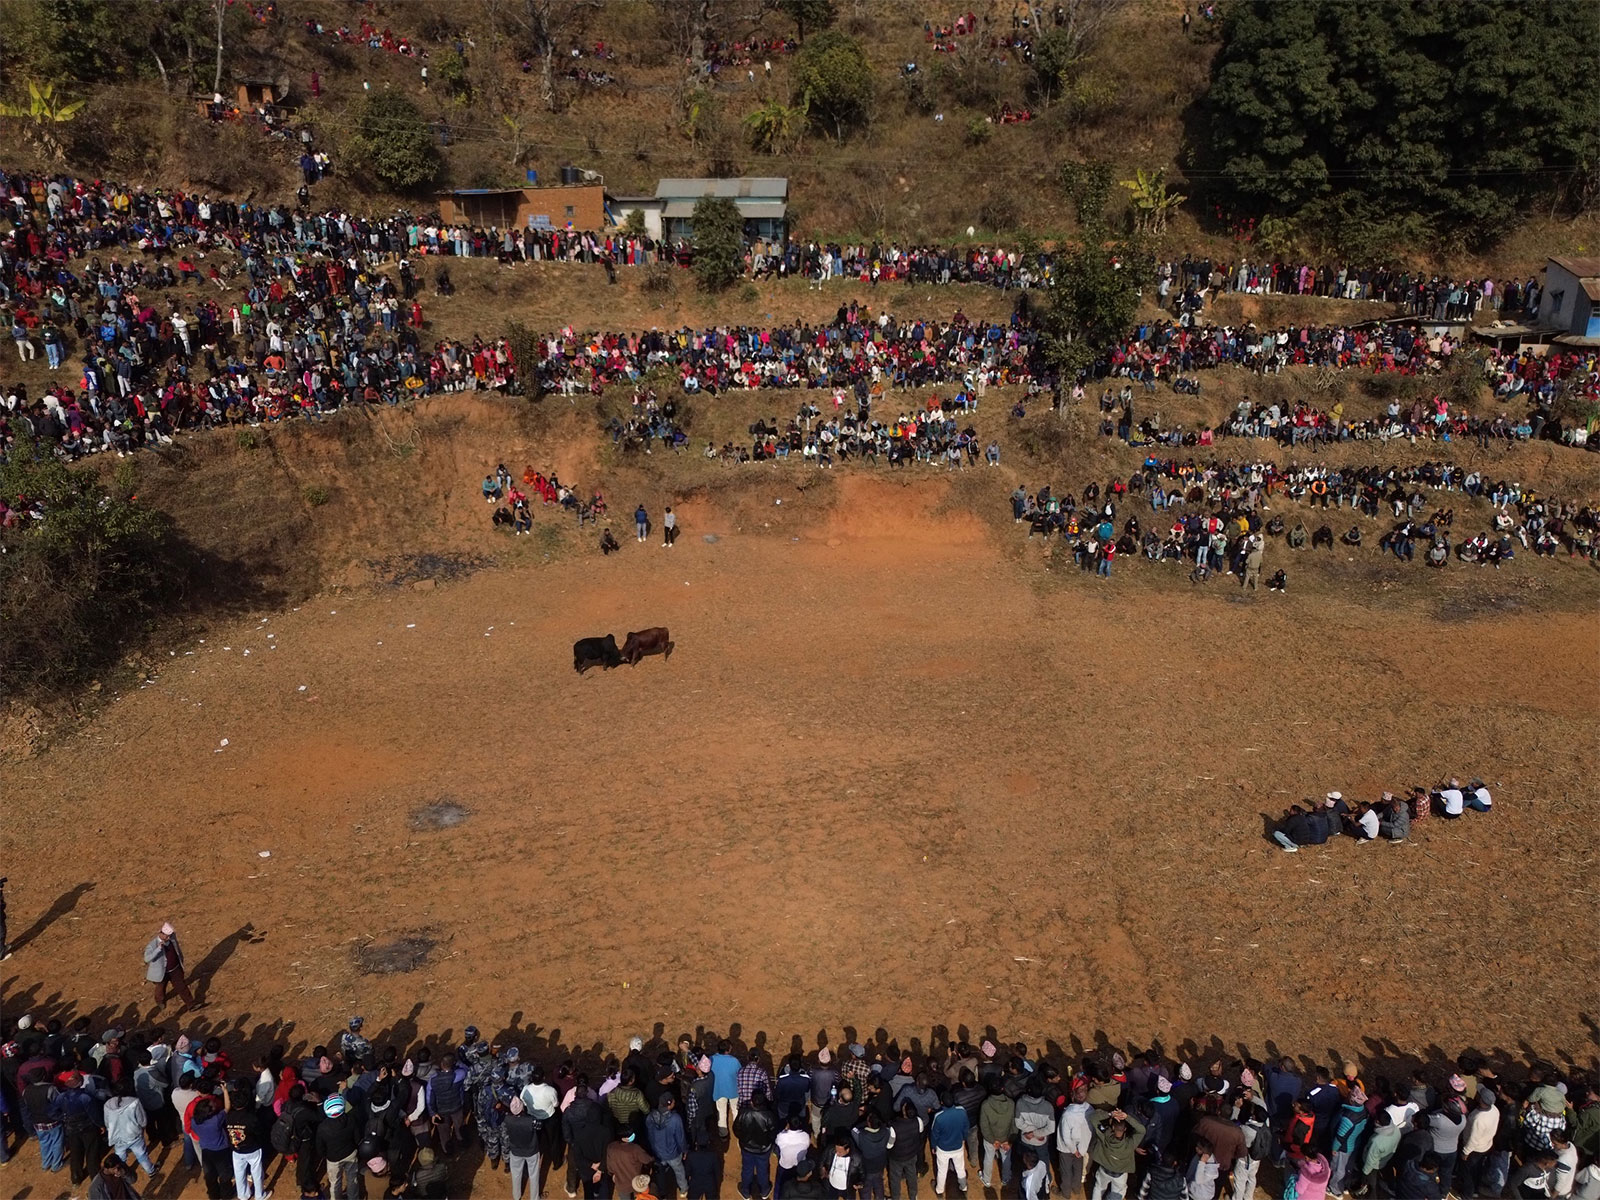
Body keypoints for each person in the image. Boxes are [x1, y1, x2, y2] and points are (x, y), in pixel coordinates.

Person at [1089, 1107, 1145, 1200]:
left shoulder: (1105, 1135)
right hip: (1119, 1175)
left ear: (1113, 1127)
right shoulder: (1130, 1143)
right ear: (1125, 1129)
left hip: (1104, 1170)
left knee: (1099, 1188)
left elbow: (1093, 1118)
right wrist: (1127, 1117)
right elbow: (1142, 1130)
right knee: (1117, 1193)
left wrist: (1110, 1114)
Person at [733, 1086, 778, 1200]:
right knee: (762, 1169)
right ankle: (764, 1191)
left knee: (747, 1169)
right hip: (763, 1149)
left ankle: (745, 1191)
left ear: (752, 1101)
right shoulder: (769, 1115)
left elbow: (736, 1129)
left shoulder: (743, 1113)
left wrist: (743, 1139)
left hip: (747, 1148)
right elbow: (773, 1133)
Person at [144, 922, 197, 1010]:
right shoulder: (152, 945)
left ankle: (191, 1004)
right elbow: (147, 959)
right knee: (160, 988)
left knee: (181, 986)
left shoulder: (171, 938)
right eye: (167, 936)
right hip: (162, 972)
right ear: (161, 933)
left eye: (169, 935)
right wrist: (158, 950)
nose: (168, 938)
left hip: (175, 969)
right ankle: (159, 1000)